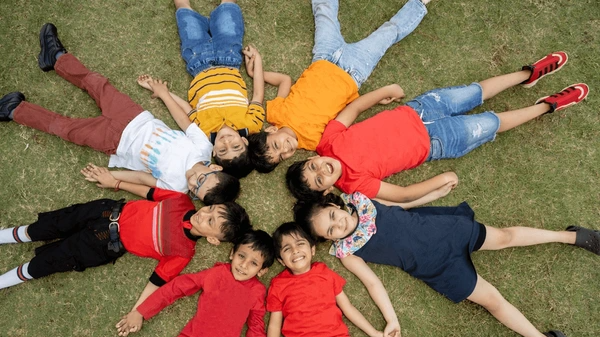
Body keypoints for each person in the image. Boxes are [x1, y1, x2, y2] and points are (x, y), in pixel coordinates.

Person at [294, 191, 600, 337]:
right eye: (331, 230)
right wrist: (391, 319)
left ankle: (571, 236)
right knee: (492, 301)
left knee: (505, 237)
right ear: (329, 239)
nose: (338, 225)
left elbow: (404, 203)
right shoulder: (348, 252)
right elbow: (372, 283)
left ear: (335, 204)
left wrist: (436, 190)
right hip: (438, 268)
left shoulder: (362, 201)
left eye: (333, 216)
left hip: (446, 231)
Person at [286, 51, 589, 202]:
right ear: (327, 190)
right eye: (319, 180)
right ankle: (546, 106)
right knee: (491, 122)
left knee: (474, 91)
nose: (322, 170)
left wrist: (384, 91)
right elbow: (402, 194)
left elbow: (353, 109)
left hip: (420, 109)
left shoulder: (327, 142)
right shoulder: (354, 185)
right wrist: (439, 180)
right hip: (437, 141)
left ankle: (527, 74)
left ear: (312, 157)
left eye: (312, 167)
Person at [0, 23, 239, 204]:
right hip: (135, 116)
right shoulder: (203, 148)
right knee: (97, 84)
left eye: (196, 190)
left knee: (67, 129)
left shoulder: (177, 186)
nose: (192, 182)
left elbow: (143, 179)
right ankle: (56, 58)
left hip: (115, 142)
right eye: (201, 180)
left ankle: (14, 109)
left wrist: (114, 178)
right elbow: (183, 121)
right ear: (215, 168)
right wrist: (164, 94)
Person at [0, 164, 251, 329]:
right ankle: (10, 235)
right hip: (105, 210)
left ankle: (5, 280)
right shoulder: (181, 200)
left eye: (210, 222)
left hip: (102, 244)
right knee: (48, 225)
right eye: (209, 209)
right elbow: (149, 192)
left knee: (53, 260)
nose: (203, 215)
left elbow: (156, 282)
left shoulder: (183, 253)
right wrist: (116, 183)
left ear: (213, 239)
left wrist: (137, 312)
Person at [246, 0, 431, 174]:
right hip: (355, 71)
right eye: (281, 157)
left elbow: (285, 80)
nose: (285, 150)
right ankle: (418, 4)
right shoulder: (313, 142)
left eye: (276, 146)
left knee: (324, 10)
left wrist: (258, 74)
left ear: (271, 130)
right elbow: (346, 114)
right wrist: (376, 99)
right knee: (388, 33)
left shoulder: (275, 114)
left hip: (324, 56)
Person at [115, 229, 275, 337]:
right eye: (241, 256)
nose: (243, 265)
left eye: (253, 263)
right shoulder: (216, 274)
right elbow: (177, 287)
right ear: (231, 254)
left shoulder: (257, 292)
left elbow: (256, 329)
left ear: (262, 271)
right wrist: (141, 311)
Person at [264, 222, 405, 337]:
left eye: (300, 243)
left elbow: (348, 308)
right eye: (287, 248)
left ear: (312, 249)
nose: (295, 250)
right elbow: (274, 326)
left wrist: (375, 333)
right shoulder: (278, 285)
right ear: (281, 260)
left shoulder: (325, 273)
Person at [139, 0, 267, 178]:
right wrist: (258, 61)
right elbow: (258, 94)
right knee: (227, 11)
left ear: (213, 152)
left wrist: (160, 90)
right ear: (244, 141)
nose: (226, 142)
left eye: (223, 150)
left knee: (185, 15)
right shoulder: (252, 124)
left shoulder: (203, 132)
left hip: (197, 61)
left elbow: (186, 108)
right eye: (236, 146)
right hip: (229, 57)